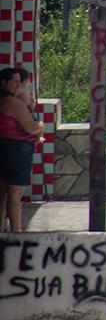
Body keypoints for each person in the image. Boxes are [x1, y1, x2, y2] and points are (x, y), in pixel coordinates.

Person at [1, 67, 43, 232]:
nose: (18, 86)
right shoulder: (12, 103)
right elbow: (31, 127)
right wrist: (40, 125)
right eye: (15, 82)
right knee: (14, 195)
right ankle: (17, 232)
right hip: (17, 149)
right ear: (4, 83)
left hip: (4, 146)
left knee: (2, 195)